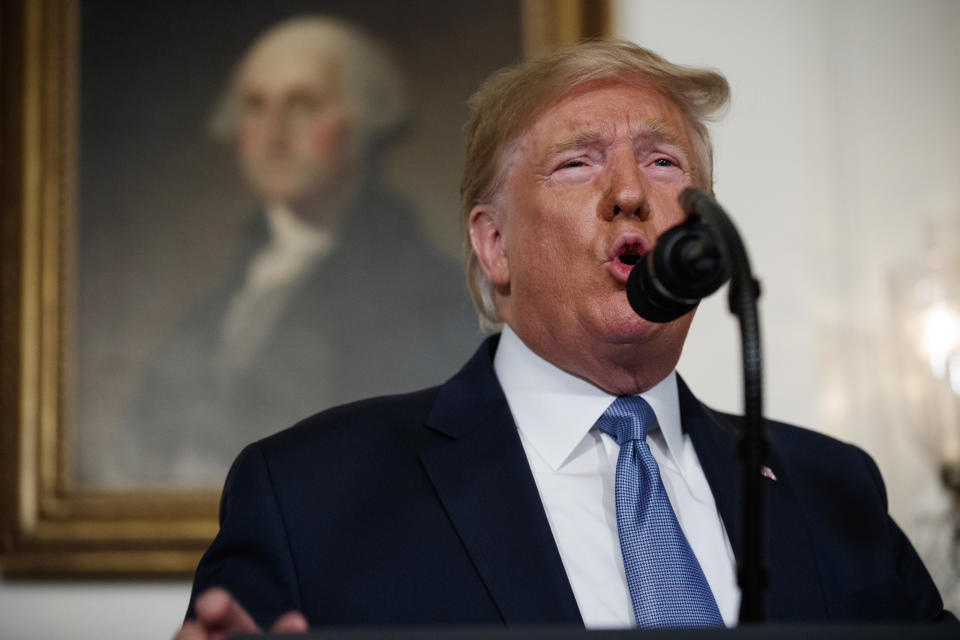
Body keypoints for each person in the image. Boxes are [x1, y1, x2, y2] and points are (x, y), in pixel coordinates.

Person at [175, 39, 955, 637]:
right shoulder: (311, 494)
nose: (629, 192)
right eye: (578, 164)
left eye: (661, 160)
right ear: (494, 246)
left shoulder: (835, 491)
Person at [124, 16, 477, 485]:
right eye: (254, 106)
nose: (273, 132)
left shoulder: (425, 291)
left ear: (362, 122)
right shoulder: (226, 293)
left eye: (303, 105)